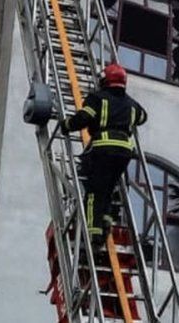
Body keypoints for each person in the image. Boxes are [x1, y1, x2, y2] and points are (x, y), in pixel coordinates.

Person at [62, 62, 147, 245]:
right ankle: (106, 223)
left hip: (103, 148)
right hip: (124, 151)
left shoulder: (97, 98)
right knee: (109, 189)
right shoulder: (132, 104)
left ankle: (94, 233)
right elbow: (143, 117)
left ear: (105, 81)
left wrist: (66, 125)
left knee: (95, 191)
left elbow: (83, 118)